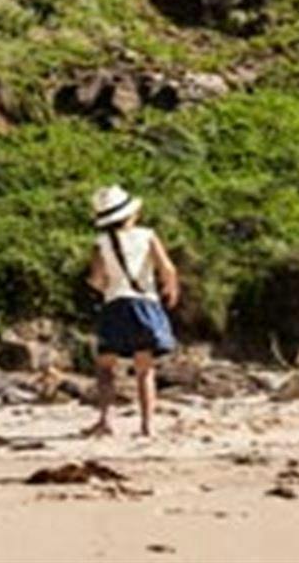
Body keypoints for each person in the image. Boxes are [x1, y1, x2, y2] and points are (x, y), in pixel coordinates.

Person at [81, 185, 180, 438]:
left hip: (115, 306)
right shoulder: (148, 235)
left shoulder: (101, 243)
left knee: (106, 367)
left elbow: (96, 279)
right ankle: (147, 425)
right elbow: (167, 269)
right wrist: (171, 290)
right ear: (131, 214)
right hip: (145, 304)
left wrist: (105, 289)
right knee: (144, 369)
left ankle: (106, 420)